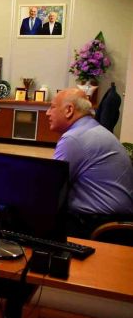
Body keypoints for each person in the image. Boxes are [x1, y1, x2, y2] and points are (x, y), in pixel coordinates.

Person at [46, 88, 133, 238]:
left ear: (69, 110)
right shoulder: (95, 129)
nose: (47, 113)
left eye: (52, 107)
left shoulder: (74, 138)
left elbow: (51, 187)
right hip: (119, 222)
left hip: (100, 227)